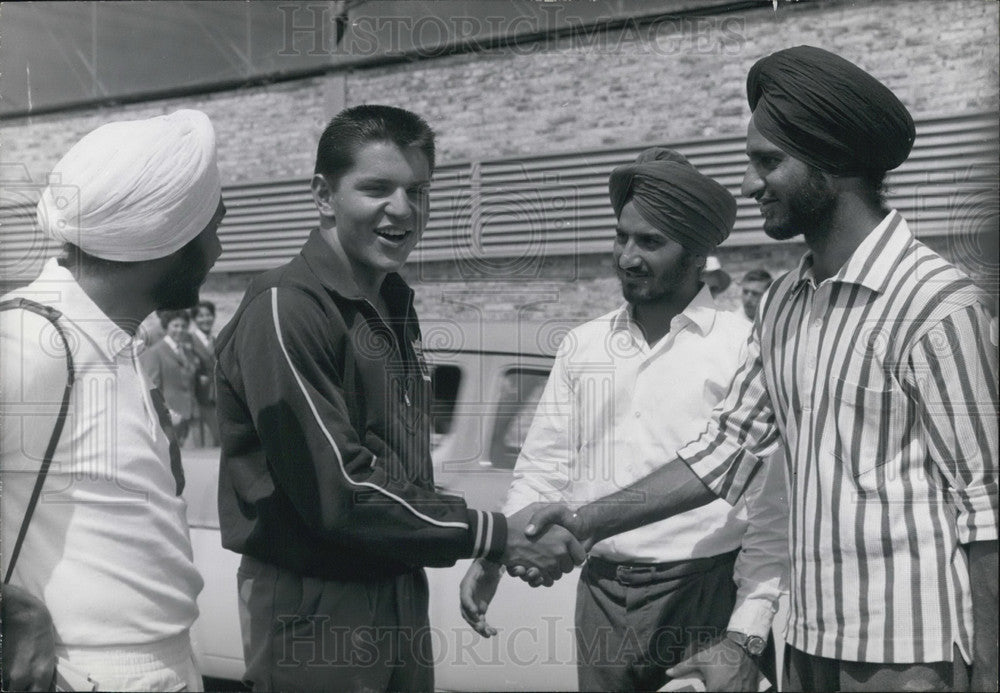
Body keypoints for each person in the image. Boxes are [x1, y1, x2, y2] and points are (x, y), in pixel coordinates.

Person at [518, 45, 998, 692]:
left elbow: (986, 506)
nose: (748, 185)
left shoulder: (935, 304)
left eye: (767, 162)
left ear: (832, 164)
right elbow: (724, 450)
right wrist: (579, 522)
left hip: (911, 660)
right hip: (806, 647)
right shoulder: (782, 305)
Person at [214, 104, 584, 693]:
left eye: (419, 191)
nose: (404, 211)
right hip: (318, 602)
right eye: (376, 188)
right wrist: (491, 534)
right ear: (322, 195)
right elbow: (340, 490)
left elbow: (398, 469)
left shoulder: (390, 303)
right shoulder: (288, 307)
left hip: (395, 585)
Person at [460, 148, 788, 692]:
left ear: (699, 252)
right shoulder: (582, 346)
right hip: (601, 598)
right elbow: (543, 466)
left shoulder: (744, 349)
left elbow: (772, 513)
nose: (628, 257)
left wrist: (744, 636)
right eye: (622, 237)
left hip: (705, 599)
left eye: (651, 242)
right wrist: (502, 549)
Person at [1, 109, 225, 691]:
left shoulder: (116, 339)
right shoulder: (33, 342)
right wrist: (11, 614)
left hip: (162, 664)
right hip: (88, 672)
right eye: (212, 227)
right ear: (166, 237)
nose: (220, 248)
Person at [141, 309, 199, 446]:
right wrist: (167, 412)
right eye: (176, 326)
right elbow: (152, 389)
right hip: (170, 418)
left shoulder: (188, 352)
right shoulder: (155, 352)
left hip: (191, 416)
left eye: (184, 326)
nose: (180, 330)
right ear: (166, 327)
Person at [188, 300, 219, 447]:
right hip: (197, 399)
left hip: (215, 398)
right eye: (201, 316)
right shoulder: (188, 341)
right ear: (194, 320)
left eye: (209, 315)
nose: (205, 319)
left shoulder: (216, 341)